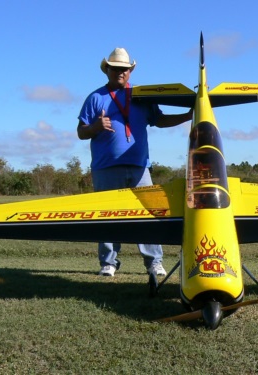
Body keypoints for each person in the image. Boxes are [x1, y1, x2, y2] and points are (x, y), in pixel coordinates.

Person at [77, 47, 192, 277]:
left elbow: (159, 120)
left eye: (125, 69)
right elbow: (81, 132)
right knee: (107, 216)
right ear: (107, 70)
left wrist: (188, 115)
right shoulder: (95, 98)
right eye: (116, 68)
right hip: (105, 168)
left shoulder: (141, 95)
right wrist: (95, 127)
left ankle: (154, 263)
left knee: (148, 215)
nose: (120, 72)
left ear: (130, 71)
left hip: (140, 167)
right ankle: (108, 263)